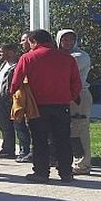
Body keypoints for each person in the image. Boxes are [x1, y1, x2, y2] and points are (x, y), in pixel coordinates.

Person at [11, 29, 82, 184]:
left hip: (37, 105)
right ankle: (66, 172)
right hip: (62, 104)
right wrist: (69, 96)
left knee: (39, 140)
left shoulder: (28, 57)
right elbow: (76, 83)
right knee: (63, 139)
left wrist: (14, 96)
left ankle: (41, 172)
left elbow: (16, 81)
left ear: (33, 41)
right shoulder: (67, 58)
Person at [56, 29, 93, 175]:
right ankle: (72, 160)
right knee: (69, 131)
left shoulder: (80, 56)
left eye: (71, 40)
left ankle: (83, 164)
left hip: (79, 96)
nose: (68, 42)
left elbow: (61, 71)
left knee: (79, 129)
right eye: (64, 39)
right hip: (64, 95)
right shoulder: (60, 55)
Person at [0, 43, 31, 162]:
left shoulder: (18, 65)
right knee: (4, 126)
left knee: (19, 126)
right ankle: (8, 149)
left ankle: (24, 151)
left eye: (2, 52)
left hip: (13, 100)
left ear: (11, 52)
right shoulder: (4, 65)